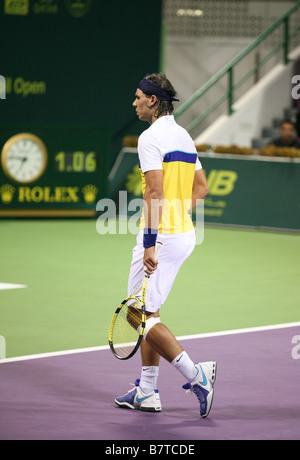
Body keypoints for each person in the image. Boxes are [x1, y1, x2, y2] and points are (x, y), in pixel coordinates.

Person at [114, 73, 216, 418]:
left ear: (153, 101)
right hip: (183, 233)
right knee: (150, 312)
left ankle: (195, 374)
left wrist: (150, 243)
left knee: (134, 313)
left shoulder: (150, 137)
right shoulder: (184, 136)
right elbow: (200, 188)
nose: (135, 103)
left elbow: (154, 192)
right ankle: (146, 391)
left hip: (162, 237)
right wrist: (175, 214)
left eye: (139, 97)